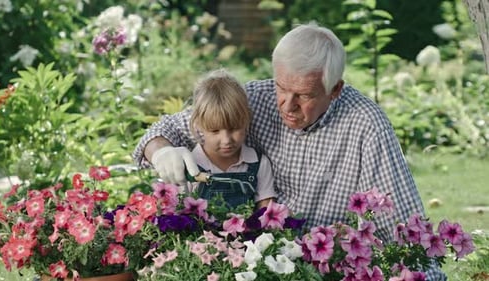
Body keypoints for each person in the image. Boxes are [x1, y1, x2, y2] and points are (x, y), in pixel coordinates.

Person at [133, 23, 445, 280]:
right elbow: (165, 130)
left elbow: (405, 228)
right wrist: (161, 151)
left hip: (321, 268)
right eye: (282, 87)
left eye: (304, 95)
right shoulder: (257, 97)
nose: (286, 104)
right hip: (248, 260)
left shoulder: (365, 125)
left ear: (335, 89)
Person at [158, 68, 276, 209]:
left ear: (247, 120)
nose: (226, 140)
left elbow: (266, 211)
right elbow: (178, 212)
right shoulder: (189, 166)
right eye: (215, 131)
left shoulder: (258, 163)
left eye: (234, 128)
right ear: (199, 125)